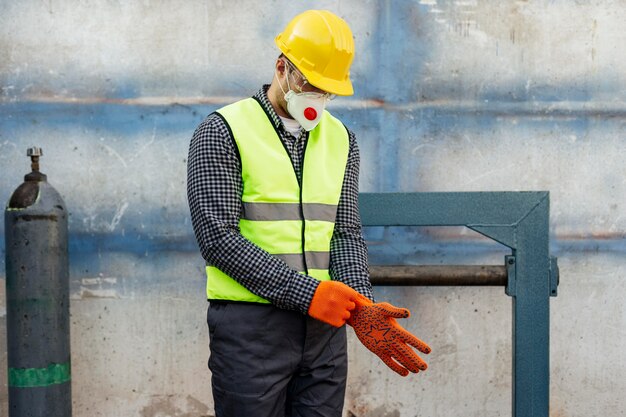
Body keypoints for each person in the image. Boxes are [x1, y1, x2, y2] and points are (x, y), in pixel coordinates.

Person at [187, 9, 431, 417]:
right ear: (281, 68)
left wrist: (362, 306)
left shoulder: (341, 139)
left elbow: (344, 233)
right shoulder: (223, 131)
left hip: (324, 333)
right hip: (251, 331)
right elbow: (218, 239)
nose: (316, 96)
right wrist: (309, 294)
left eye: (326, 89)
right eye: (308, 83)